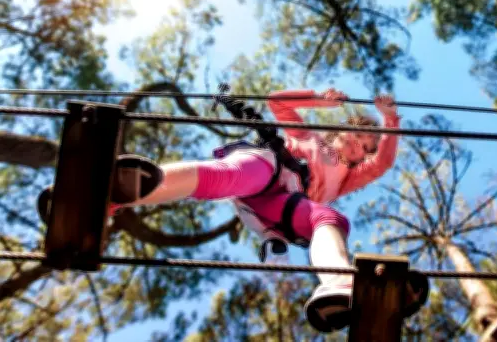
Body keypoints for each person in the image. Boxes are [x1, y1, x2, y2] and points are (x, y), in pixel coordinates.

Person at [38, 88, 426, 333]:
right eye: (359, 136)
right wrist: (318, 99)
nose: (360, 147)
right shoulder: (307, 137)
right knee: (229, 174)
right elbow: (278, 103)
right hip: (270, 166)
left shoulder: (348, 177)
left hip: (285, 204)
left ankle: (340, 283)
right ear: (344, 130)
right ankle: (111, 195)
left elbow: (385, 163)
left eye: (367, 147)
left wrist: (390, 121)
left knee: (329, 219)